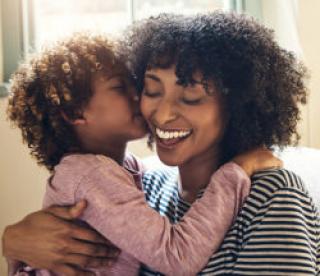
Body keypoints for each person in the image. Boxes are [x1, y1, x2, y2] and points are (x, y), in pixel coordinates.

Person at [3, 12, 319, 275]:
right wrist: (12, 241)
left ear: (237, 103)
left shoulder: (273, 196)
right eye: (152, 90)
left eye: (191, 95)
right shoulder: (143, 186)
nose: (164, 113)